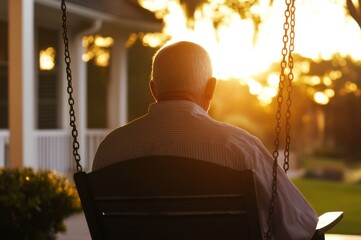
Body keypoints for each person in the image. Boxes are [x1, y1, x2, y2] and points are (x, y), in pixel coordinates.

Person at [92, 41, 318, 239]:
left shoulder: (110, 150)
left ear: (153, 89)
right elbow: (299, 228)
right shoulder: (240, 148)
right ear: (211, 88)